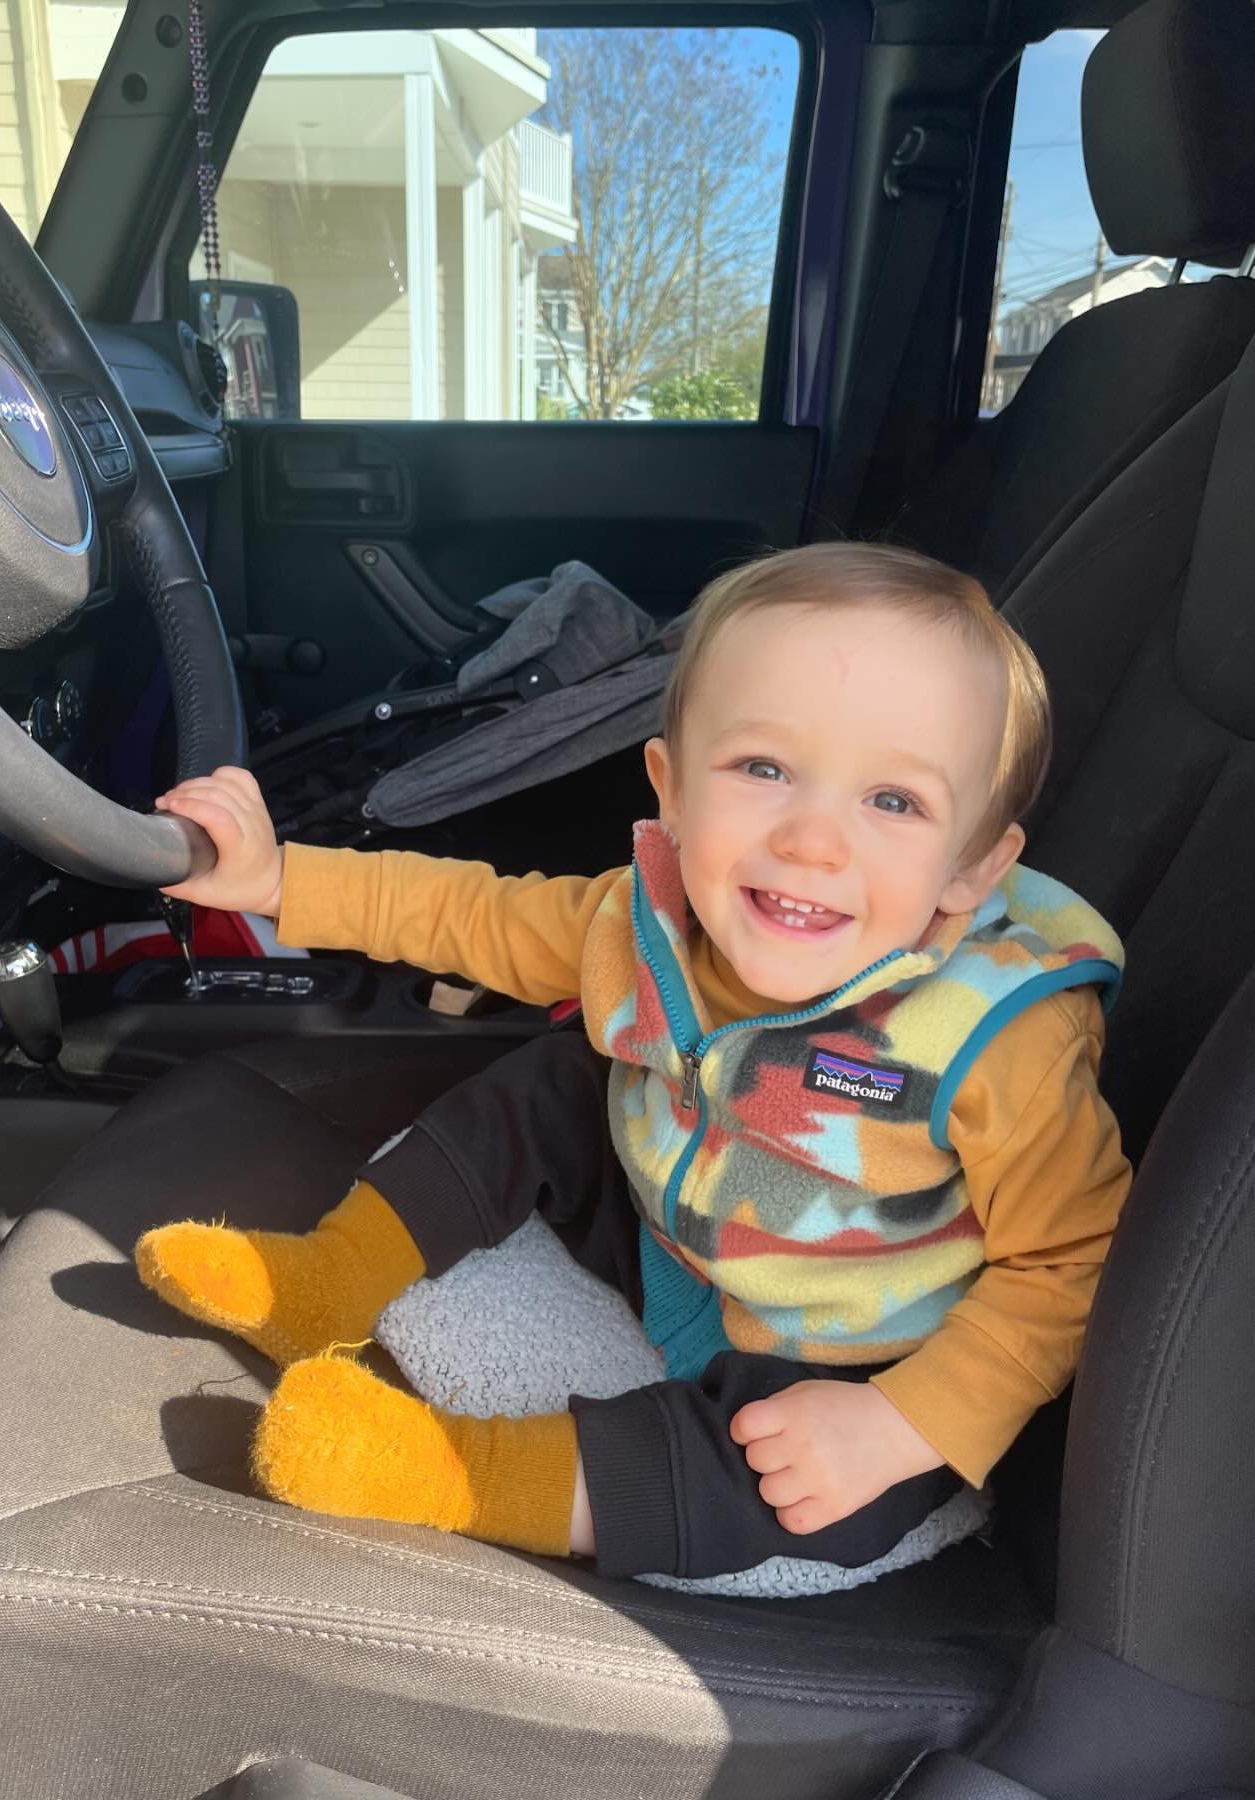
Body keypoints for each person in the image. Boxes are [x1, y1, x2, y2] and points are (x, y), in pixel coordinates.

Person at [135, 543, 1131, 1582]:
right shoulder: (642, 924)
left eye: (893, 803)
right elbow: (464, 911)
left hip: (844, 1344)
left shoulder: (992, 1040)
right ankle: (328, 1279)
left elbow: (1070, 1264)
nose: (811, 842)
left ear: (973, 865)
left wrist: (901, 1424)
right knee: (561, 1079)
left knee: (793, 1493)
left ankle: (450, 1473)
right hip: (667, 1231)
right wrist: (273, 877)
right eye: (764, 769)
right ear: (672, 787)